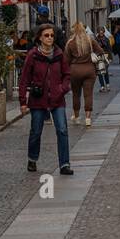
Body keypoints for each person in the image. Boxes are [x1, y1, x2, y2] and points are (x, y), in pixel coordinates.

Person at [19, 22, 73, 175]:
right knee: (36, 131)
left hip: (57, 99)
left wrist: (62, 88)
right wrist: (23, 101)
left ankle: (64, 164)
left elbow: (67, 74)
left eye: (52, 35)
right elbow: (24, 79)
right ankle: (32, 158)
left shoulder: (59, 54)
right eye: (46, 35)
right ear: (40, 38)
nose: (50, 38)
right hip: (38, 99)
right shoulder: (33, 55)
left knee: (62, 130)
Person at [64, 22, 107, 126]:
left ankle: (76, 116)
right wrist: (93, 55)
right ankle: (88, 118)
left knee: (76, 94)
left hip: (75, 71)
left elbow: (66, 60)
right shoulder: (90, 40)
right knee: (88, 95)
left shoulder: (70, 43)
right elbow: (101, 51)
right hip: (89, 70)